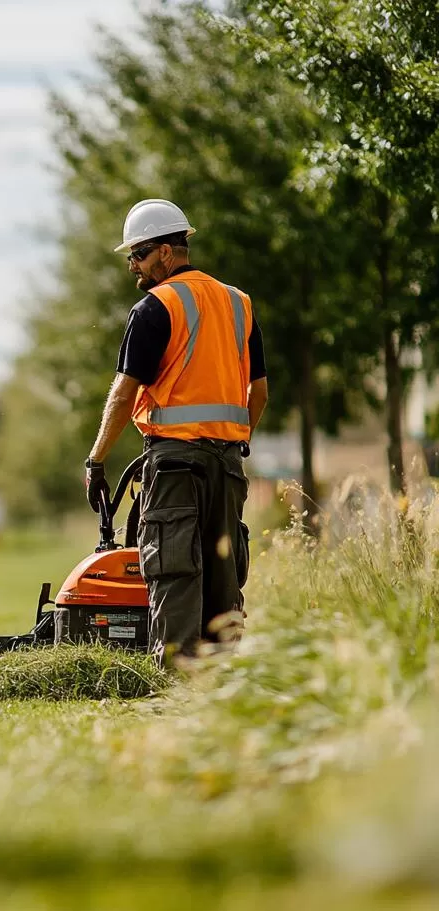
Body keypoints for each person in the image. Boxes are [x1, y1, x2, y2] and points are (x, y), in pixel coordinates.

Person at [84, 199, 269, 665]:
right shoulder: (238, 303)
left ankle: (177, 689)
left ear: (167, 252)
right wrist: (235, 441)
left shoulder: (155, 307)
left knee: (175, 573)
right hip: (228, 468)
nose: (133, 265)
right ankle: (225, 687)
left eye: (139, 254)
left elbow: (124, 395)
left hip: (176, 468)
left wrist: (96, 460)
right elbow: (259, 393)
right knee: (224, 581)